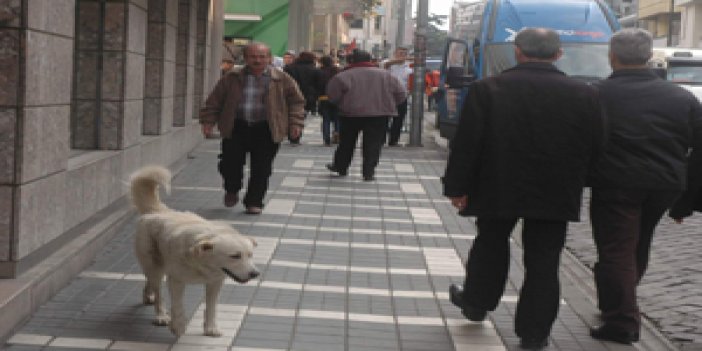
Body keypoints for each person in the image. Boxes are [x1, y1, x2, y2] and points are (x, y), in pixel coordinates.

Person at [442, 28, 603, 350]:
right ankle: (534, 332)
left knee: (490, 242)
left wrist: (457, 186)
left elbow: (467, 142)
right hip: (555, 189)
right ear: (559, 54)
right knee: (544, 260)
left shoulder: (488, 88)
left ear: (517, 51)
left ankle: (477, 301)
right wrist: (581, 182)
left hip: (496, 182)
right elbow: (597, 145)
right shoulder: (584, 93)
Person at [587, 28, 702, 344]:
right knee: (638, 242)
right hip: (665, 185)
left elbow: (580, 142)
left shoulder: (596, 94)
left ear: (612, 56)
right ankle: (617, 301)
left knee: (616, 249)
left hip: (616, 183)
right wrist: (686, 201)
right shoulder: (681, 98)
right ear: (649, 56)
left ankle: (622, 320)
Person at [199, 42, 305, 214]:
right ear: (246, 58)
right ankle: (232, 188)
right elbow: (215, 100)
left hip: (267, 128)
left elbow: (296, 102)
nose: (257, 60)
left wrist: (295, 124)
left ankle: (254, 201)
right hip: (236, 127)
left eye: (262, 56)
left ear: (269, 58)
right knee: (230, 163)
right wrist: (208, 121)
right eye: (253, 56)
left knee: (262, 167)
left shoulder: (281, 78)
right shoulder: (232, 77)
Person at [325, 50, 406, 181]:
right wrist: (388, 104)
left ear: (352, 60)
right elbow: (401, 94)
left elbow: (332, 95)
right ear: (370, 60)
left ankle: (340, 166)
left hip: (350, 114)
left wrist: (342, 104)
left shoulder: (343, 76)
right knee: (373, 144)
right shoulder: (386, 75)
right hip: (379, 115)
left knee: (346, 142)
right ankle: (368, 172)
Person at [284, 51, 324, 144]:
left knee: (290, 113)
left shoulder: (289, 68)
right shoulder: (315, 70)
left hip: (290, 94)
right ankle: (296, 133)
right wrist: (316, 96)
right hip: (308, 96)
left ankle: (292, 133)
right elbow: (318, 84)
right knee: (301, 115)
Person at [383, 47, 412, 146]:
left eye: (404, 54)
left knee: (399, 120)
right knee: (384, 119)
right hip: (387, 95)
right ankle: (381, 140)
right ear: (395, 54)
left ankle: (393, 140)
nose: (402, 56)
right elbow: (386, 65)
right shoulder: (387, 63)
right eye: (400, 53)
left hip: (402, 96)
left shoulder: (408, 68)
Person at [318, 55, 341, 146]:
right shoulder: (337, 71)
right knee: (337, 118)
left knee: (326, 119)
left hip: (323, 98)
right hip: (336, 98)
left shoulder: (319, 72)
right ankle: (337, 135)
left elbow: (317, 85)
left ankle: (326, 139)